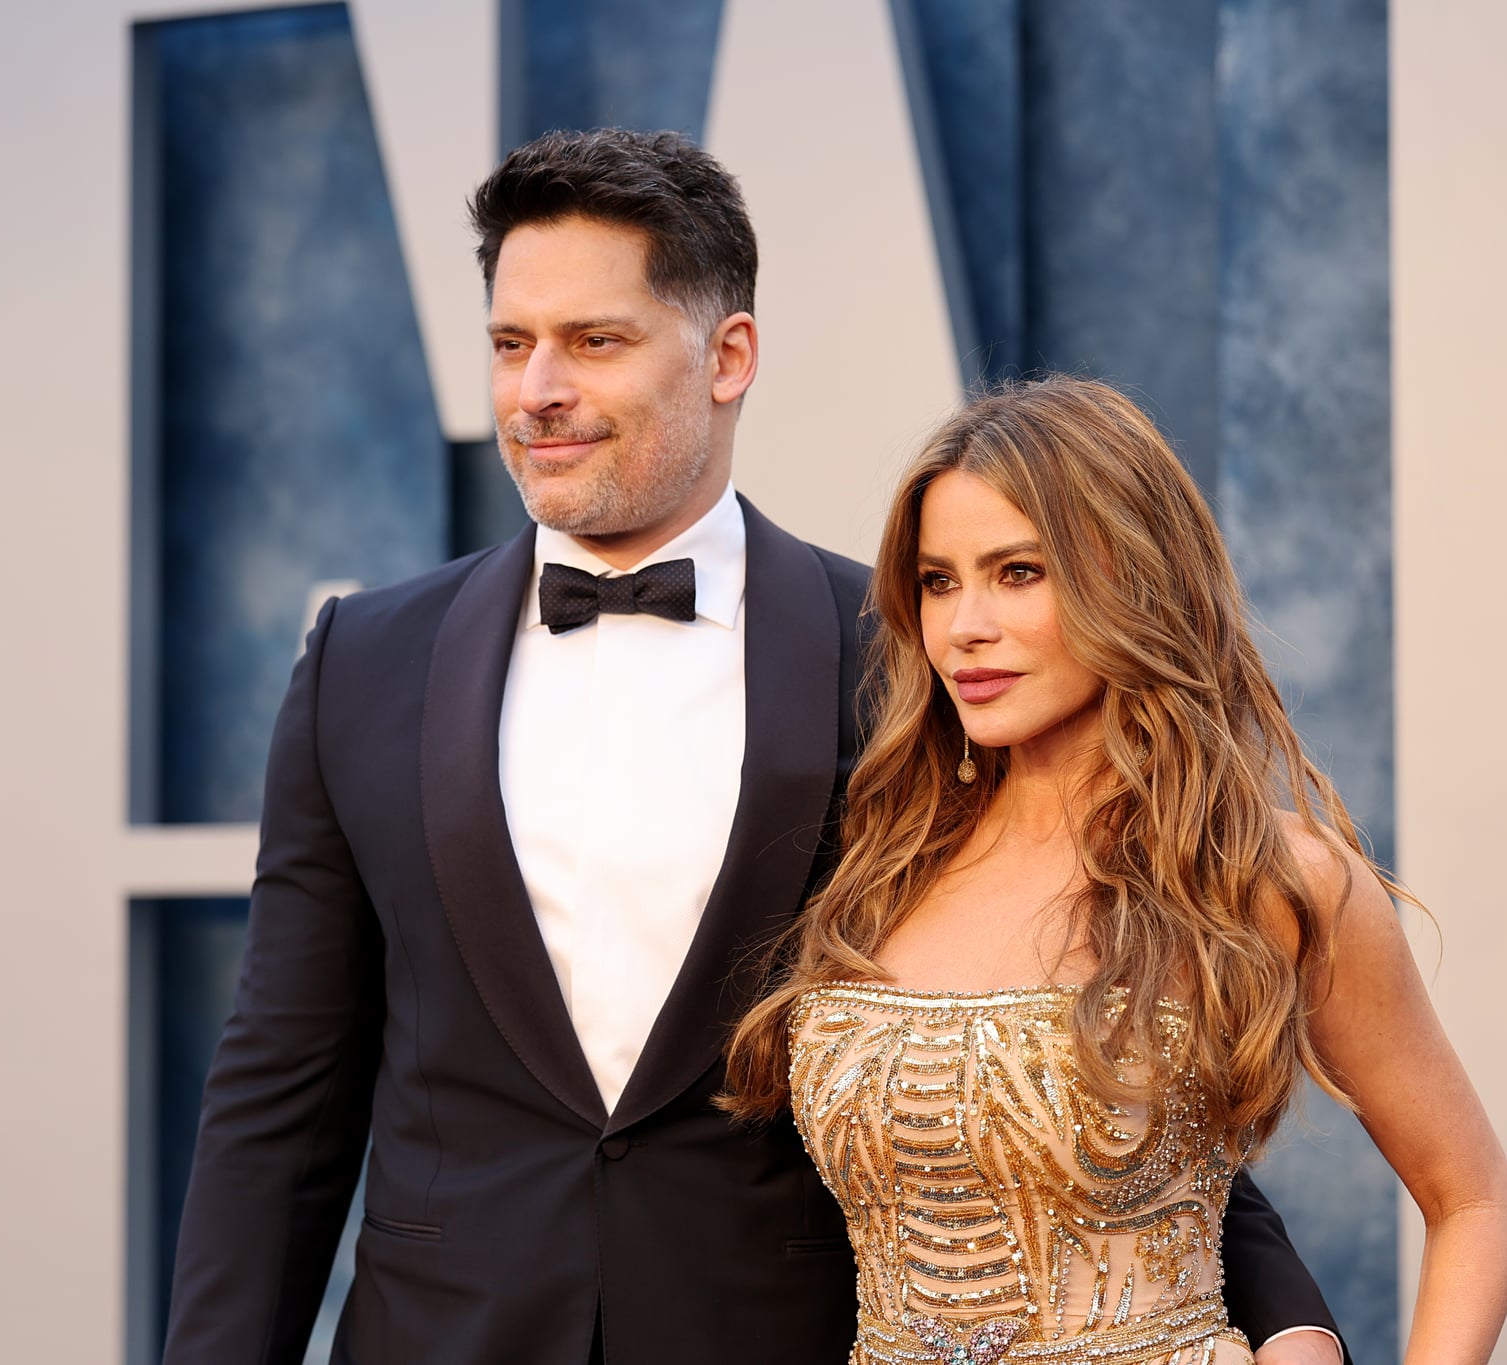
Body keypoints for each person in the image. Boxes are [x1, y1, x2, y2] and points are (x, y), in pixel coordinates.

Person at [163, 130, 1351, 1365]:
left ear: (728, 355)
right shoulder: (361, 661)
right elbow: (280, 1097)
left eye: (594, 341)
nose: (537, 391)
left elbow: (1073, 1034)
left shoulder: (908, 658)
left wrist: (1285, 1318)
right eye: (511, 344)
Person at [726, 376, 1507, 1364]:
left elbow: (1472, 1199)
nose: (963, 626)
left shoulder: (1267, 876)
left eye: (1016, 573)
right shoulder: (883, 858)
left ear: (1132, 579)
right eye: (937, 582)